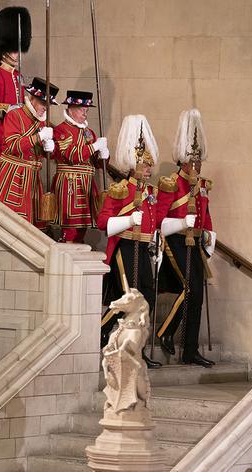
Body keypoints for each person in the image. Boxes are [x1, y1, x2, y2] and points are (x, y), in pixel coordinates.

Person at [97, 115, 174, 368]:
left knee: (146, 300)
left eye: (149, 165)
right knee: (130, 299)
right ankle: (100, 333)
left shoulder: (150, 192)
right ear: (133, 165)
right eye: (144, 165)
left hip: (143, 248)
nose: (148, 169)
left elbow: (154, 222)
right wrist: (130, 220)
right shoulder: (119, 189)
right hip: (124, 247)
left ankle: (137, 350)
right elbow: (104, 224)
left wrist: (155, 242)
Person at [155, 109, 216, 367]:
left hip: (195, 243)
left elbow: (205, 213)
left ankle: (190, 349)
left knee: (197, 296)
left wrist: (210, 235)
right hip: (176, 241)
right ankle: (166, 331)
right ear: (183, 161)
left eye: (199, 159)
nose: (197, 164)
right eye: (193, 160)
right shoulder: (171, 184)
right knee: (189, 288)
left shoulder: (200, 185)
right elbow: (158, 218)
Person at [0, 78, 58, 226]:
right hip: (13, 175)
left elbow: (38, 152)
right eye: (43, 103)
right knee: (11, 220)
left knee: (34, 224)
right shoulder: (15, 115)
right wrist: (38, 137)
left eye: (48, 104)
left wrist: (49, 149)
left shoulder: (42, 122)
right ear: (32, 98)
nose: (46, 107)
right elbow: (13, 145)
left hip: (33, 177)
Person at [51, 90, 107, 243]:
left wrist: (104, 155)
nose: (85, 114)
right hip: (70, 182)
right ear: (71, 109)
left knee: (83, 224)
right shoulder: (61, 130)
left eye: (86, 111)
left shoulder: (89, 132)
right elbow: (71, 155)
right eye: (82, 110)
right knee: (70, 223)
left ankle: (77, 244)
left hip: (86, 182)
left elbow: (97, 163)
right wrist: (94, 147)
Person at [0, 6, 31, 159]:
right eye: (14, 50)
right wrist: (11, 108)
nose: (17, 55)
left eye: (18, 50)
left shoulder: (18, 76)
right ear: (3, 51)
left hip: (20, 133)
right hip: (2, 132)